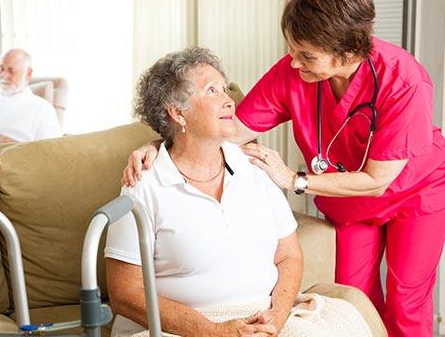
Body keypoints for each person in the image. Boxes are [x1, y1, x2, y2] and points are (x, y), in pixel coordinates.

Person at [122, 0, 445, 336]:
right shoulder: (295, 72)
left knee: (405, 305)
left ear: (348, 51)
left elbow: (378, 179)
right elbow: (227, 130)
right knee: (355, 300)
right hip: (350, 201)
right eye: (291, 48)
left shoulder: (403, 79)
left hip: (415, 196)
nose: (293, 61)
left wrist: (295, 180)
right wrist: (162, 144)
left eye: (306, 54)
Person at [106, 47, 372, 337]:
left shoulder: (255, 167)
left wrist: (278, 316)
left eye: (224, 88)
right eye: (212, 91)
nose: (229, 100)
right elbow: (124, 293)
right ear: (178, 112)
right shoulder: (145, 181)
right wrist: (213, 331)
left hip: (262, 318)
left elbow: (289, 256)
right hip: (183, 329)